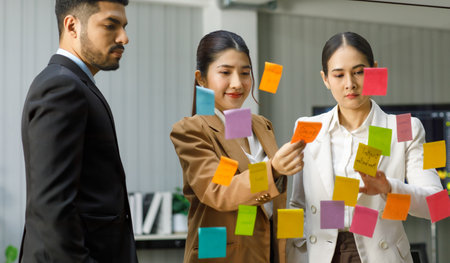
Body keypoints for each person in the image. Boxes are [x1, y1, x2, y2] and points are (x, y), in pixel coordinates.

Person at [286, 32, 443, 263]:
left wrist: (389, 188)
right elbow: (297, 204)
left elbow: (438, 206)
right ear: (325, 79)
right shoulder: (307, 127)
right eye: (339, 75)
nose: (350, 84)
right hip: (320, 254)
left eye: (359, 72)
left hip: (381, 254)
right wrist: (294, 256)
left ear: (375, 70)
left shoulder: (406, 128)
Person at [170, 30, 306, 263]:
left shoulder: (262, 125)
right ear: (201, 78)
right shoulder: (191, 130)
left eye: (245, 73)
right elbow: (218, 191)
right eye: (225, 72)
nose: (237, 83)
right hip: (223, 256)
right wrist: (272, 169)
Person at [19, 0, 138, 262]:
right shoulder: (62, 87)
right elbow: (53, 207)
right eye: (111, 25)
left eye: (124, 26)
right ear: (72, 26)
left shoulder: (74, 83)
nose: (124, 38)